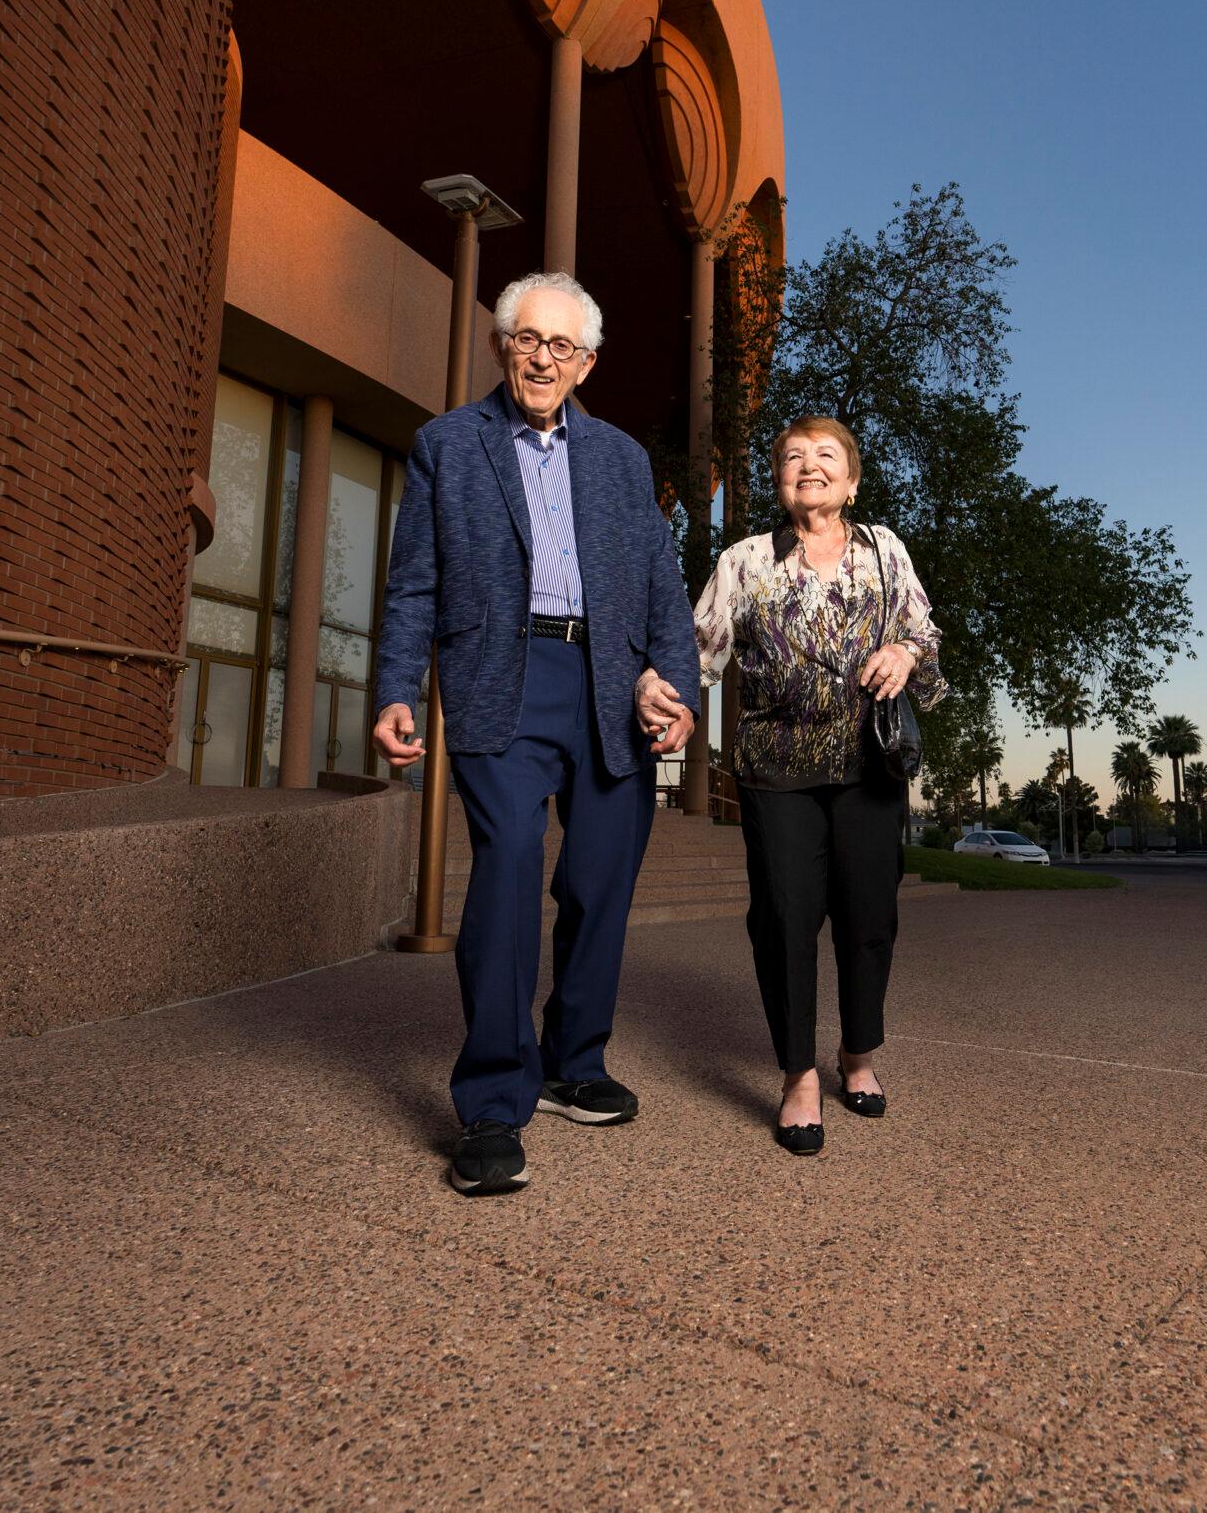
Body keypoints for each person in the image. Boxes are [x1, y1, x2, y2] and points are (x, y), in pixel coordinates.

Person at [374, 272, 698, 1196]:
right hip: (498, 681)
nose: (544, 357)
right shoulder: (448, 445)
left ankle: (572, 1061)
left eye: (563, 345)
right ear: (501, 345)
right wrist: (399, 685)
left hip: (610, 685)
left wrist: (672, 685)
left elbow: (663, 590)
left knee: (599, 880)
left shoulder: (624, 461)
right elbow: (413, 586)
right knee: (510, 869)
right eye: (528, 338)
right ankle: (491, 1102)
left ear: (588, 361)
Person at [642, 417, 946, 1154]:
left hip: (869, 768)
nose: (808, 467)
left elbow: (929, 643)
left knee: (869, 915)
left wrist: (906, 653)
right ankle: (800, 1074)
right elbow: (697, 651)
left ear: (852, 481)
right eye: (793, 457)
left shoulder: (885, 550)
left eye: (826, 457)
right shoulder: (744, 561)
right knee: (783, 917)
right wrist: (667, 690)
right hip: (777, 767)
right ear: (780, 478)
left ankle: (858, 1055)